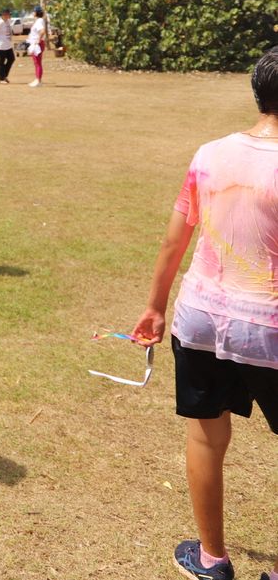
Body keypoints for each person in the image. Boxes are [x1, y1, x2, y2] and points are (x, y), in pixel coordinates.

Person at [130, 47, 278, 580]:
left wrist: (154, 306)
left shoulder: (210, 154)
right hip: (271, 328)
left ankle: (212, 558)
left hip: (201, 319)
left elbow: (175, 239)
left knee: (206, 437)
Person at [27, 5, 49, 88]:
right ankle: (37, 79)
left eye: (34, 11)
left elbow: (42, 31)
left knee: (37, 62)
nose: (33, 13)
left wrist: (38, 40)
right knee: (36, 62)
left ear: (36, 13)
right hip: (36, 43)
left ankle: (38, 80)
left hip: (37, 44)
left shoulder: (39, 21)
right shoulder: (39, 20)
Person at [0, 9, 14, 84]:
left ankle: (4, 75)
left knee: (11, 59)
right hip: (0, 45)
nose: (10, 15)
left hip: (7, 45)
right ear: (4, 15)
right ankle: (1, 78)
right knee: (2, 61)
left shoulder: (7, 22)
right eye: (8, 14)